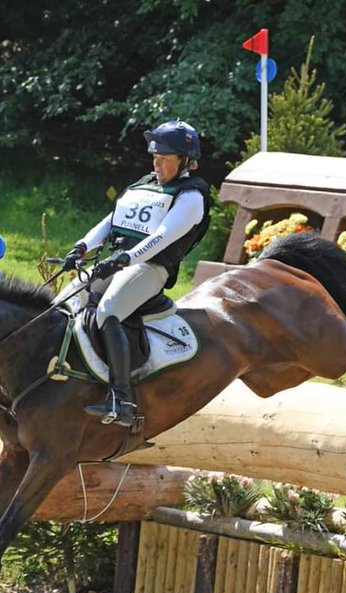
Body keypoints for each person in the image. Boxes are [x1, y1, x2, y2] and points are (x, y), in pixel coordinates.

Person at [57, 119, 211, 427]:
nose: (157, 164)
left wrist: (125, 258)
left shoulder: (191, 197)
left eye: (164, 159)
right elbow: (110, 221)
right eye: (155, 157)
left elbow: (161, 238)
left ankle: (121, 398)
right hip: (118, 261)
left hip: (149, 269)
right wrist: (81, 248)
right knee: (63, 302)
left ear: (184, 161)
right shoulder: (144, 184)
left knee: (108, 311)